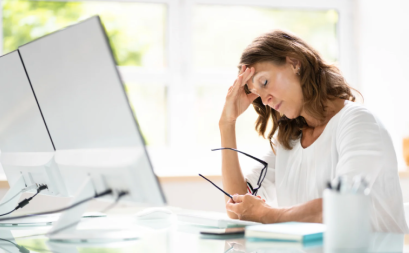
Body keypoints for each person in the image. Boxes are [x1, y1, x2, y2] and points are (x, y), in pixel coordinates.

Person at [219, 30, 408, 233]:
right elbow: (238, 208)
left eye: (265, 83)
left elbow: (343, 207)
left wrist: (267, 214)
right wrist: (227, 124)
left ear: (294, 62)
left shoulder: (358, 123)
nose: (265, 100)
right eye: (258, 95)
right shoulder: (289, 140)